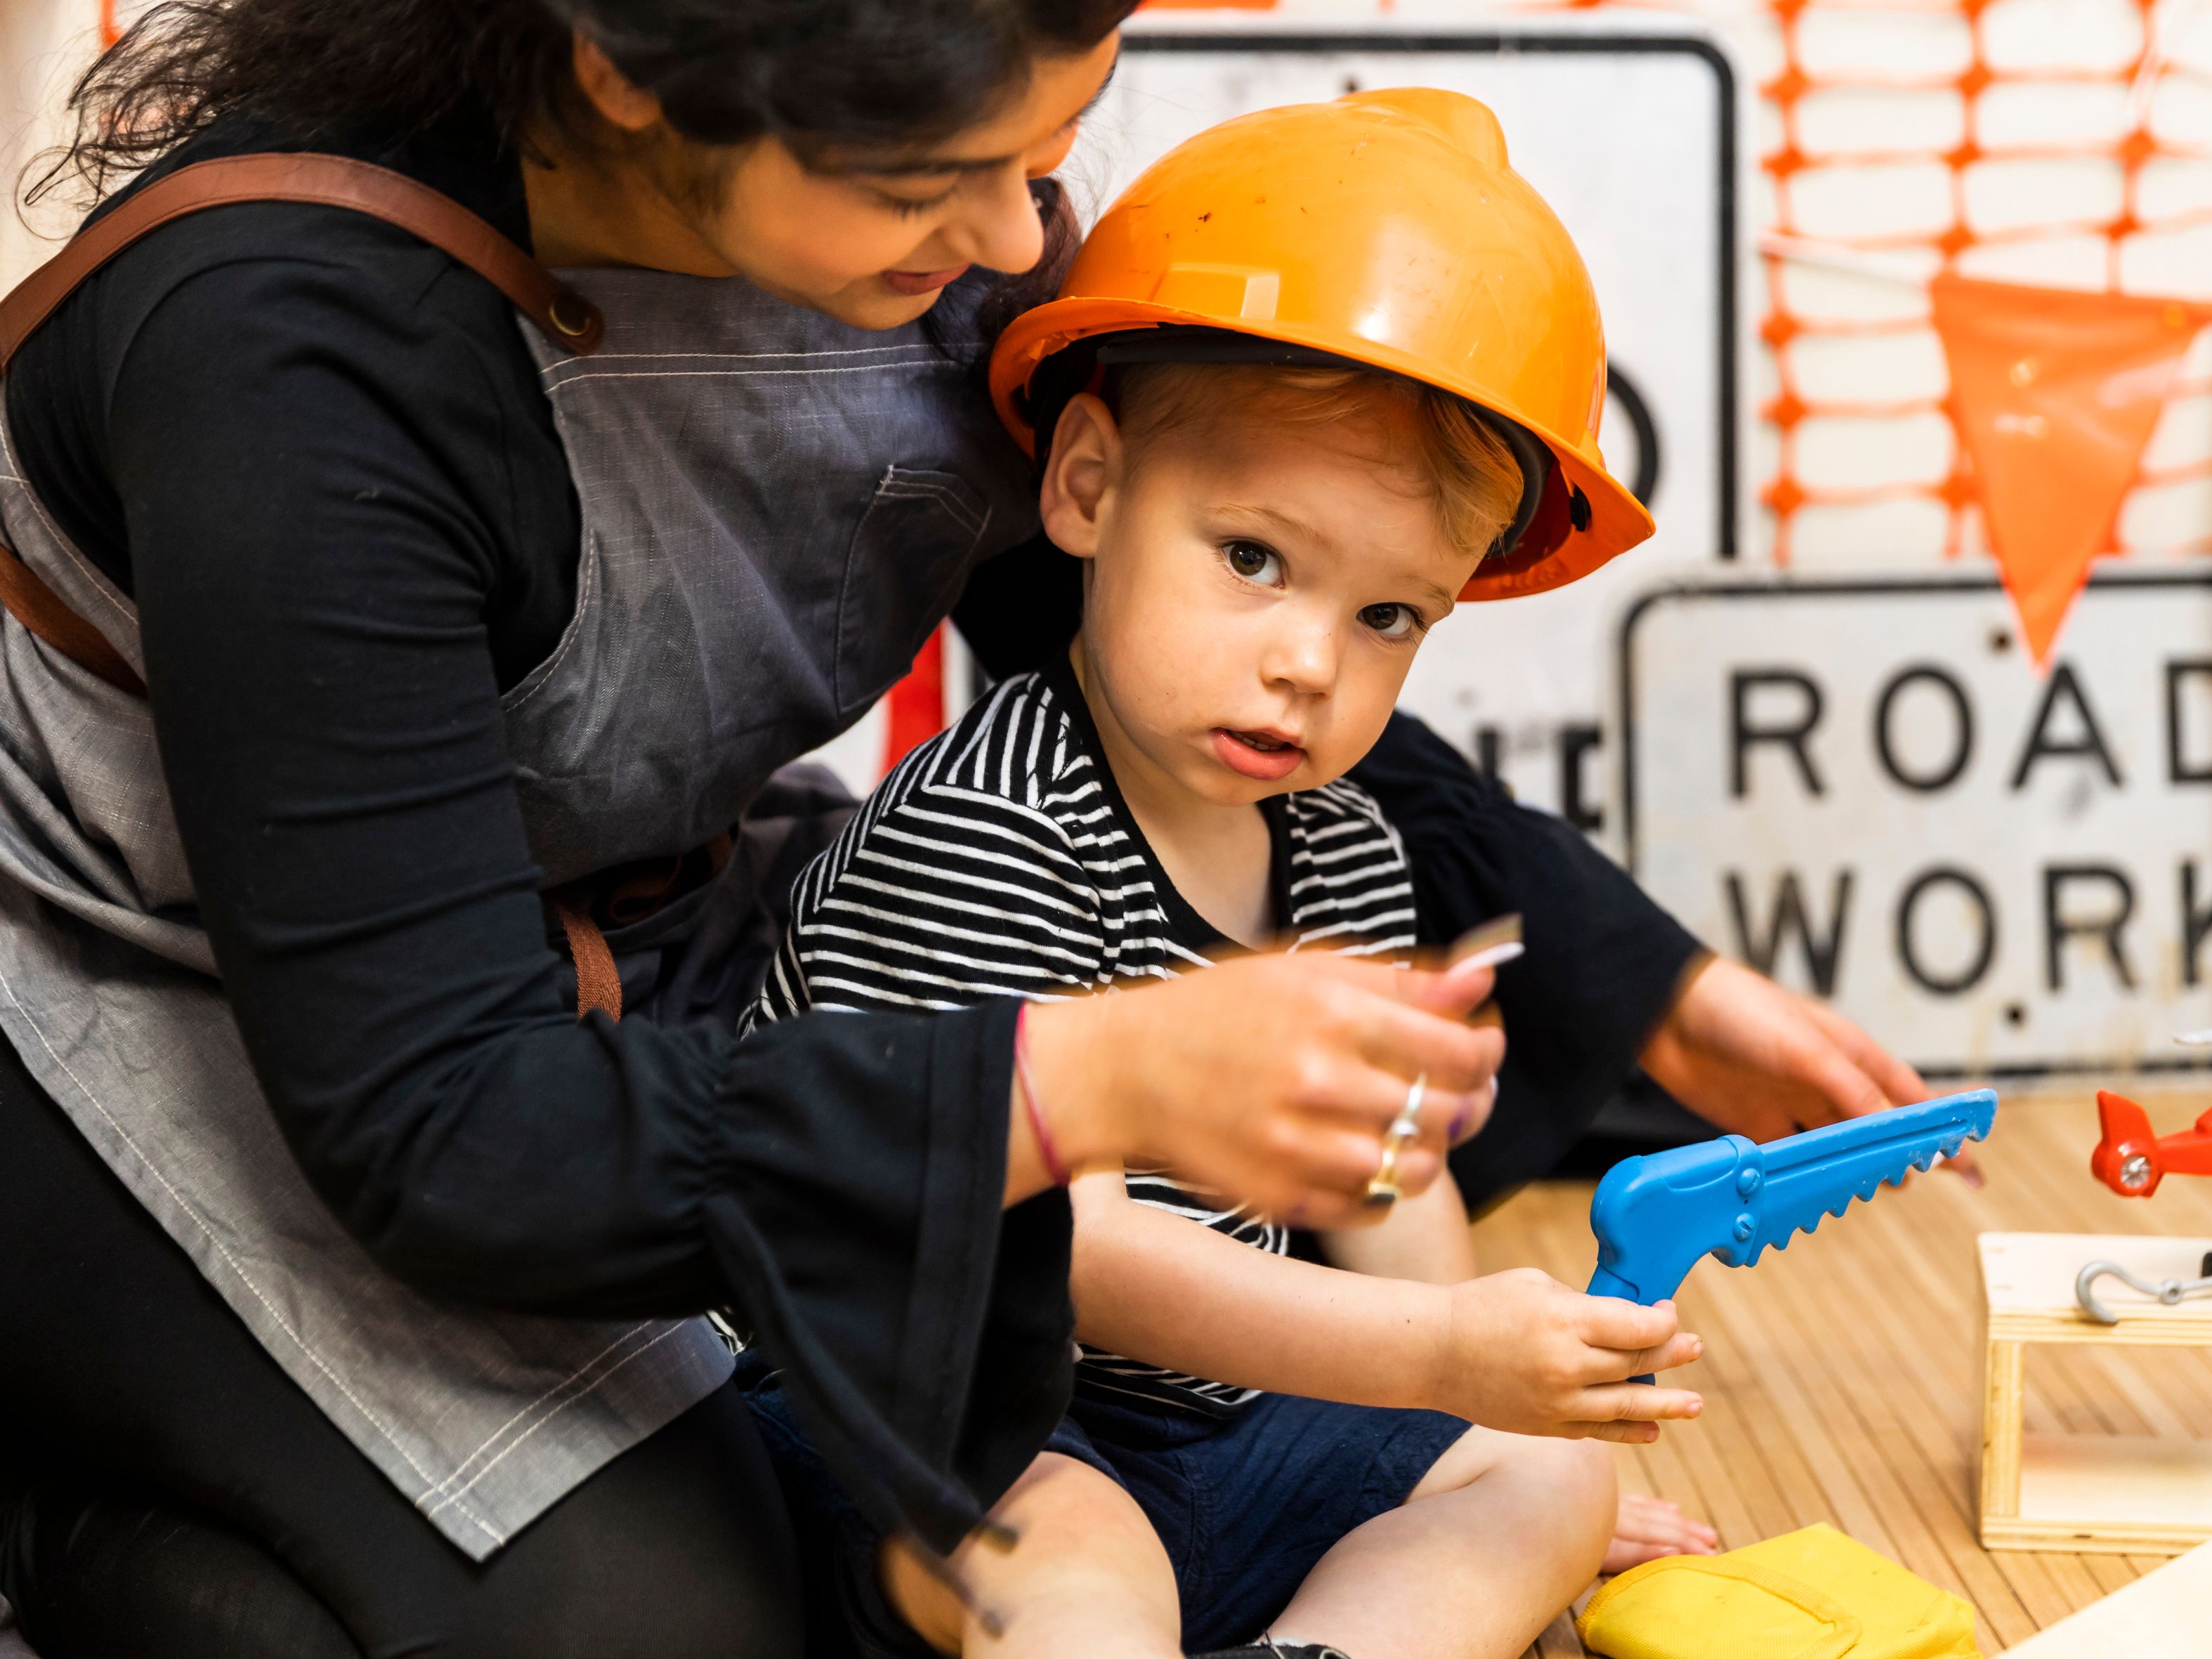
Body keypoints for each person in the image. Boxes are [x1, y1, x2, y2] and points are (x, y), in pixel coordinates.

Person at [0, 1, 1935, 1653]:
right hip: (159, 1000)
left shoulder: (957, 264)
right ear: (622, 64)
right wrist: (1076, 1079)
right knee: (668, 1614)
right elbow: (444, 1123)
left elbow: (1207, 706)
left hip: (581, 975)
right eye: (945, 181)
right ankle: (79, 1521)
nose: (1022, 232)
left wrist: (1646, 982)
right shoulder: (290, 350)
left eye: (1049, 154)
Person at [742, 92, 1710, 1659]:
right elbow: (1089, 1258)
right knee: (1076, 1550)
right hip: (936, 1420)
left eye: (1389, 614)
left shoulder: (1344, 849)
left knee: (1543, 1479)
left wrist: (1465, 1407)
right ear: (1083, 489)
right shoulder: (992, 826)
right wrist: (1439, 1351)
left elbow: (1390, 1195)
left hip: (1202, 1429)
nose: (1307, 663)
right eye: (1251, 558)